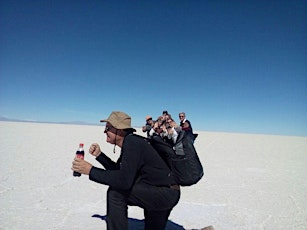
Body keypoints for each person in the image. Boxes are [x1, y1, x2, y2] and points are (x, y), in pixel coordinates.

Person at [71, 111, 180, 230]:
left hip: (163, 194)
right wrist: (100, 156)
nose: (104, 131)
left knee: (116, 192)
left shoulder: (132, 143)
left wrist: (90, 171)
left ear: (120, 130)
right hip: (166, 192)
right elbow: (120, 172)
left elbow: (123, 181)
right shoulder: (132, 142)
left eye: (108, 128)